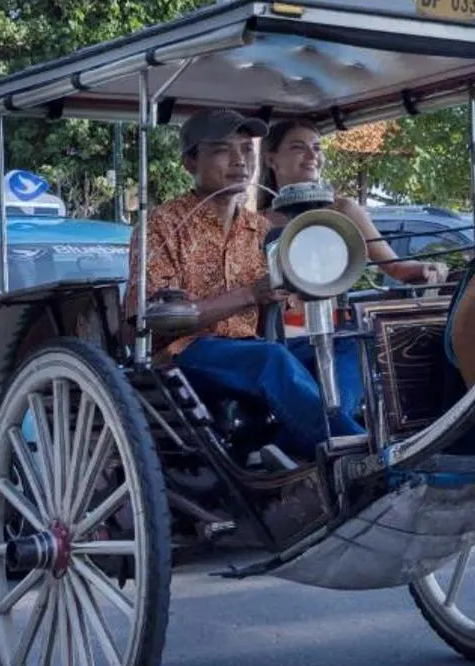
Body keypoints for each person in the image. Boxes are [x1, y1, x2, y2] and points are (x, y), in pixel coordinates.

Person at [129, 109, 358, 464]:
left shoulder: (259, 228)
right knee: (271, 359)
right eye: (223, 150)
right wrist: (250, 294)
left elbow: (281, 306)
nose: (240, 161)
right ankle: (356, 452)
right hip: (184, 352)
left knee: (349, 344)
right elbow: (153, 316)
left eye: (247, 150)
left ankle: (306, 439)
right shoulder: (162, 225)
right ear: (190, 162)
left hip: (251, 346)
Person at [259, 118, 451, 429]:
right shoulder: (257, 223)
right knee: (317, 407)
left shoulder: (344, 210)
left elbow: (396, 268)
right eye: (297, 148)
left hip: (340, 334)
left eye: (317, 148)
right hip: (281, 339)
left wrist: (427, 268)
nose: (311, 156)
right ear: (271, 159)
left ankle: (325, 444)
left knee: (337, 400)